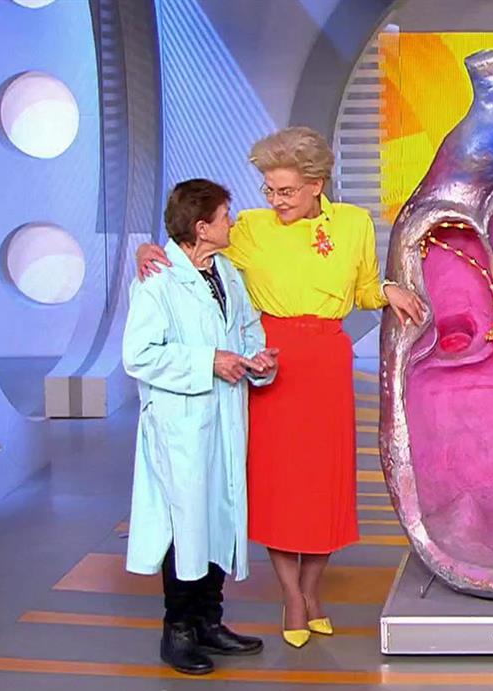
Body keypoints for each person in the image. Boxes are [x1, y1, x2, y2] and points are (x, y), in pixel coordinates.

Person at [136, 127, 426, 649]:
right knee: (279, 485)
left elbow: (362, 288)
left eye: (286, 190)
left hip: (327, 361)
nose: (276, 200)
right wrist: (146, 249)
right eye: (269, 189)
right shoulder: (247, 229)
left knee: (325, 483)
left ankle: (313, 593)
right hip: (272, 361)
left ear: (317, 185)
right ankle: (291, 596)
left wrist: (388, 289)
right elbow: (189, 245)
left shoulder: (354, 224)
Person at [122, 179, 279, 675]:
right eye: (225, 215)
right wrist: (209, 361)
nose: (232, 222)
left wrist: (257, 360)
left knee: (217, 515)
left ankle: (210, 622)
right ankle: (179, 632)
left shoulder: (226, 273)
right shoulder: (158, 279)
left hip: (223, 417)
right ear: (202, 226)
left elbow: (247, 329)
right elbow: (138, 355)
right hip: (181, 424)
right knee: (185, 524)